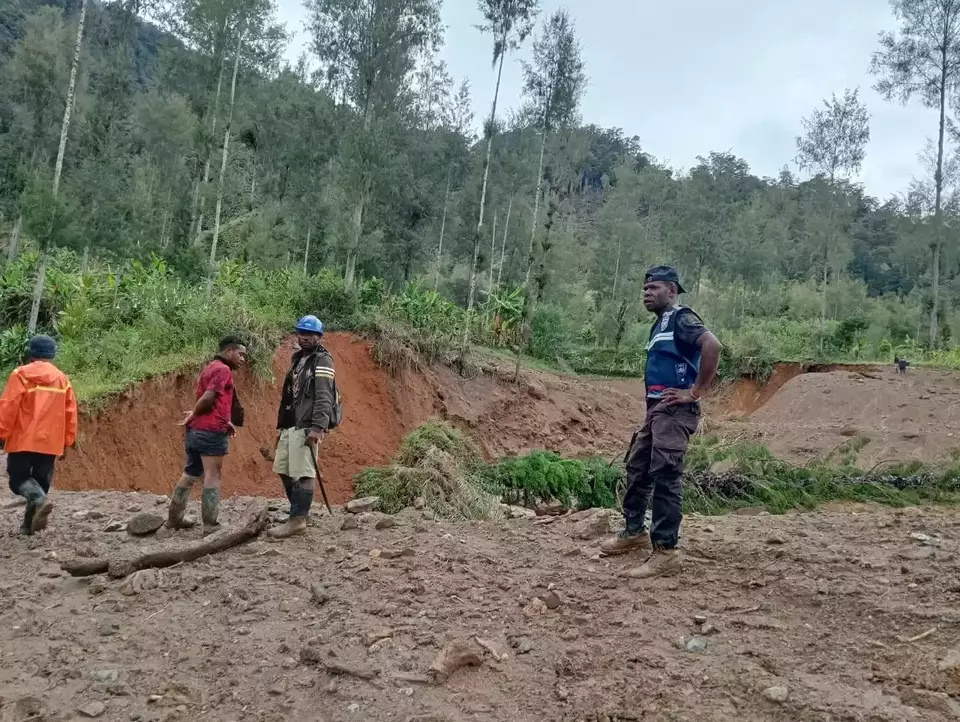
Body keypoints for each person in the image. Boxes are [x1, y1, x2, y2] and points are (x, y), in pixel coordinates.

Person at [600, 266, 722, 578]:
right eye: (645, 288)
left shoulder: (682, 317)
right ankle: (633, 532)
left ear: (672, 290)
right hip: (657, 410)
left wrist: (694, 392)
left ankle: (667, 550)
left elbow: (712, 346)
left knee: (666, 474)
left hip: (674, 410)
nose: (646, 293)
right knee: (638, 467)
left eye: (654, 288)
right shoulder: (660, 325)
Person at [167, 336, 247, 533]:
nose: (243, 359)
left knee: (191, 472)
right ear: (229, 350)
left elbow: (212, 402)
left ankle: (174, 519)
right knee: (212, 475)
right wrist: (194, 413)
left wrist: (221, 419)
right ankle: (210, 525)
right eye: (240, 354)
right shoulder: (223, 370)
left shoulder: (210, 367)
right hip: (210, 432)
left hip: (197, 431)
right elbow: (208, 397)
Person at [0, 335, 77, 535]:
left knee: (18, 480)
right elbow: (71, 413)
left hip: (23, 439)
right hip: (50, 441)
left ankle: (37, 507)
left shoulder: (20, 375)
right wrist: (67, 440)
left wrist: (2, 431)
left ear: (31, 353)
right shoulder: (62, 379)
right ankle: (28, 527)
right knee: (40, 482)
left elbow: (9, 407)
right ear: (52, 354)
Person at [269, 315, 337, 539]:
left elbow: (324, 397)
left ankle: (297, 520)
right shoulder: (298, 359)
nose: (305, 337)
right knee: (283, 468)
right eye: (301, 333)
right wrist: (282, 426)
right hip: (291, 423)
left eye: (310, 334)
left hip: (307, 424)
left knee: (305, 471)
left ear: (319, 336)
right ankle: (299, 512)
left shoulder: (323, 361)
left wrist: (318, 428)